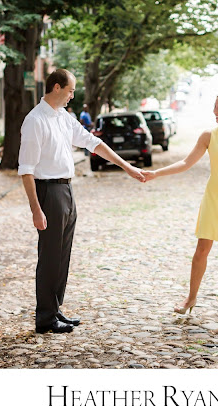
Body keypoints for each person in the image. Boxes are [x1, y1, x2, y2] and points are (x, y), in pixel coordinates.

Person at [18, 69, 145, 334]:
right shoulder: (35, 121)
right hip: (48, 192)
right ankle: (45, 319)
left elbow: (92, 143)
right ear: (56, 87)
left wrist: (125, 166)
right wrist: (36, 209)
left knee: (62, 255)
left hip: (66, 190)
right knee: (50, 257)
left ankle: (55, 310)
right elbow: (26, 169)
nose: (72, 96)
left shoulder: (64, 118)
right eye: (70, 90)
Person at [141, 92, 218, 316]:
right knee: (201, 250)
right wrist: (156, 173)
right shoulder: (209, 136)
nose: (215, 111)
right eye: (215, 106)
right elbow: (186, 162)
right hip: (214, 197)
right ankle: (191, 298)